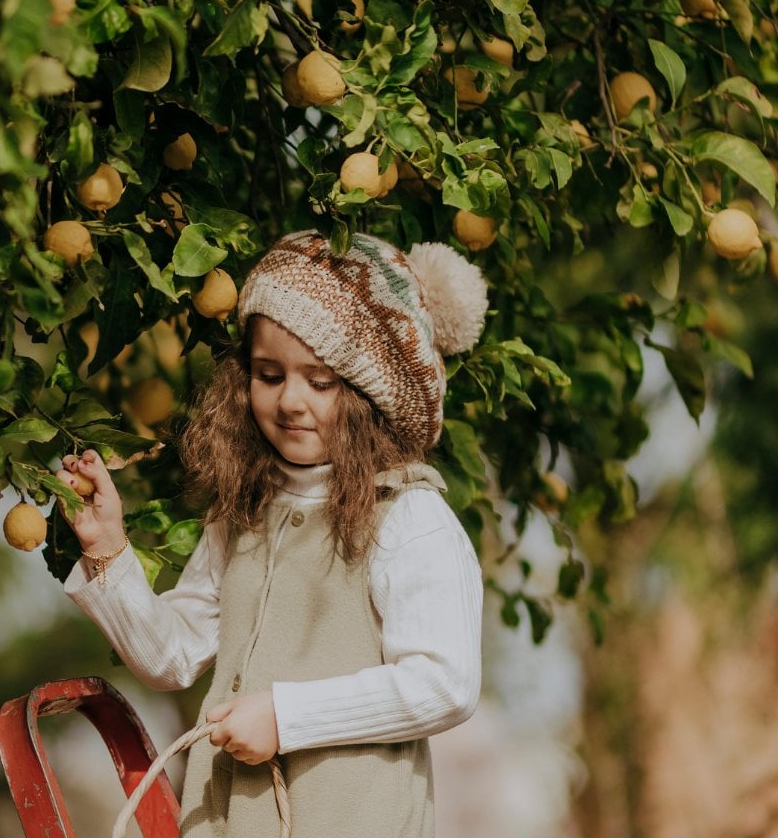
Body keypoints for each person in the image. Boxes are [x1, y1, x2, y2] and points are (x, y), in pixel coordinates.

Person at [57, 229, 489, 837]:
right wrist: (107, 549)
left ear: (369, 391)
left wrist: (287, 717)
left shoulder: (408, 515)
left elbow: (445, 683)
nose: (290, 401)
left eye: (321, 381)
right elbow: (174, 656)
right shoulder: (246, 511)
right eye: (268, 374)